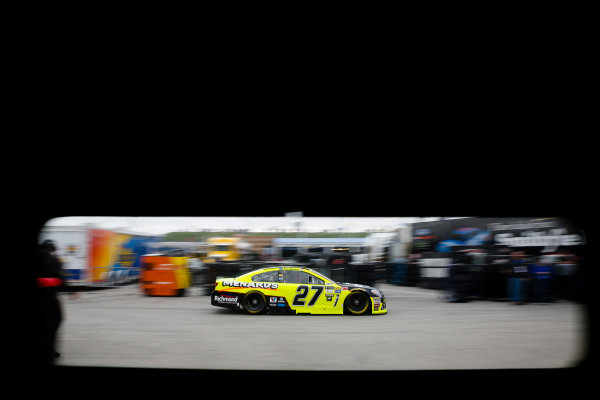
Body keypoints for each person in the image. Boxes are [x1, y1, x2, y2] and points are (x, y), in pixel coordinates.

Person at [35, 239, 79, 364]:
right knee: (54, 322)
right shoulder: (54, 260)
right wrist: (71, 290)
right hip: (48, 299)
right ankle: (49, 351)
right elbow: (60, 280)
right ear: (52, 249)